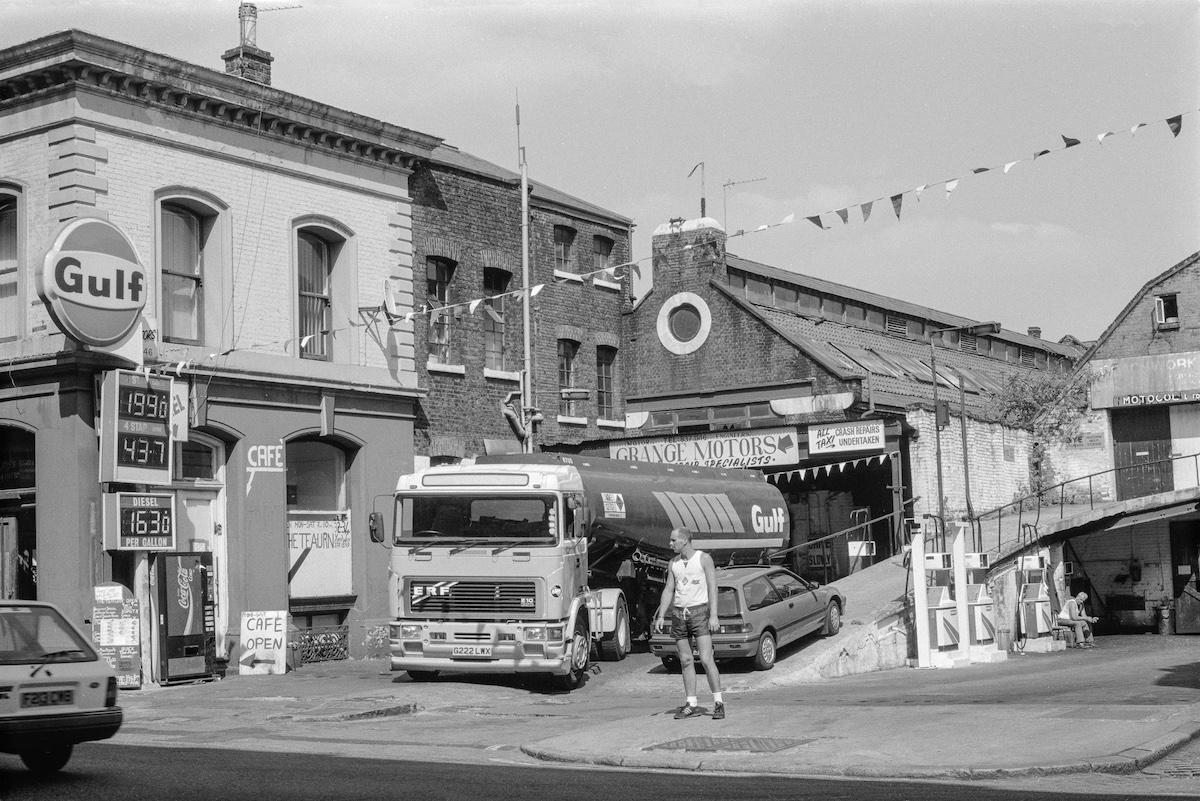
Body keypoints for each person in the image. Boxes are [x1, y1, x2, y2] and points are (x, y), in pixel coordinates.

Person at [653, 527, 724, 720]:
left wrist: (714, 615)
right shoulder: (673, 563)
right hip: (679, 614)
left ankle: (718, 702)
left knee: (706, 658)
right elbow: (669, 589)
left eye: (673, 540)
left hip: (699, 612)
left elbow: (712, 587)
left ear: (685, 541)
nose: (670, 544)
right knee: (685, 660)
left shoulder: (703, 559)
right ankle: (691, 702)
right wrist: (661, 615)